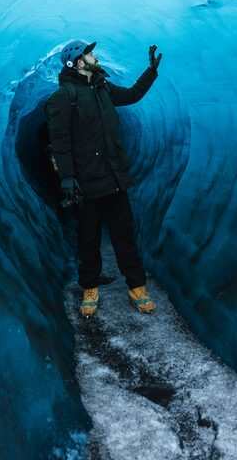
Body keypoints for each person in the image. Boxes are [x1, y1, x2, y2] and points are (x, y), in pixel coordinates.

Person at [45, 39, 163, 317]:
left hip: (114, 179)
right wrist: (66, 178)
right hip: (86, 183)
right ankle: (89, 288)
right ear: (77, 61)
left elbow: (133, 95)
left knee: (125, 236)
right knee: (88, 239)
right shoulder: (63, 98)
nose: (95, 56)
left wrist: (151, 72)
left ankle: (137, 287)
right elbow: (60, 142)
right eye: (89, 54)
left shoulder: (103, 89)